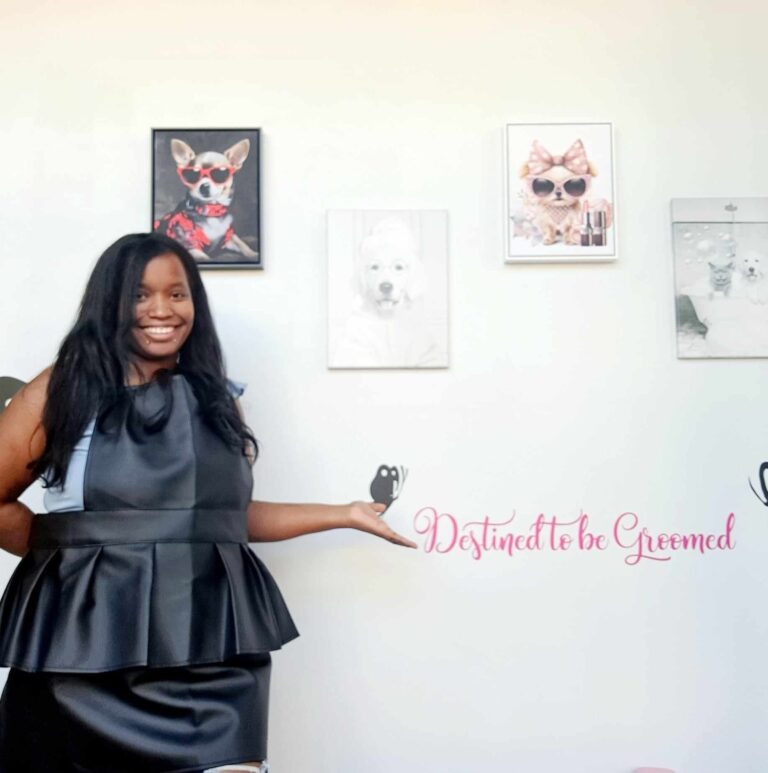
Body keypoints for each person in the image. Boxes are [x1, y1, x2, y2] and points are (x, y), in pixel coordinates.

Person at [0, 232, 417, 772]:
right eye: (140, 295)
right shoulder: (59, 392)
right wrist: (68, 552)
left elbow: (222, 522)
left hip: (210, 650)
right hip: (84, 654)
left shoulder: (219, 398)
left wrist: (344, 514)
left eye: (178, 294)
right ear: (109, 302)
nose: (161, 310)